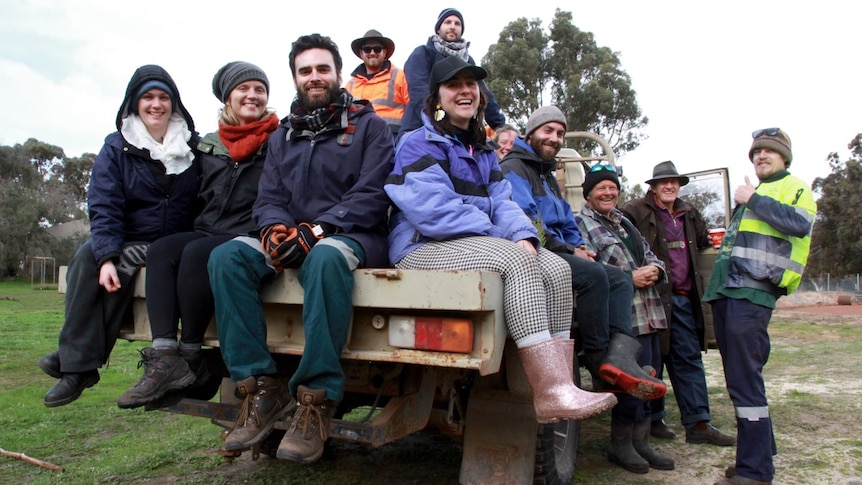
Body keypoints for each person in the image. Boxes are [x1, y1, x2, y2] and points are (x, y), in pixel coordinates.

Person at [386, 56, 617, 426]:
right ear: (436, 97)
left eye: (471, 84)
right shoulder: (418, 143)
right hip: (421, 246)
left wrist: (522, 234)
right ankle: (549, 390)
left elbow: (504, 203)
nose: (465, 91)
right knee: (518, 259)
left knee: (556, 267)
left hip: (470, 243)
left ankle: (560, 385)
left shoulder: (485, 151)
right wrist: (506, 240)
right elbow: (434, 211)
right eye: (453, 84)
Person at [206, 33, 394, 465]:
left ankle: (316, 399)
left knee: (326, 258)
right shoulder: (282, 137)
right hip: (292, 235)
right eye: (305, 71)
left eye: (322, 69)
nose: (314, 77)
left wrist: (321, 229)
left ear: (338, 74)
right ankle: (259, 389)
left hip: (354, 234)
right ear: (295, 78)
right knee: (227, 256)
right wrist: (273, 229)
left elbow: (373, 193)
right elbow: (268, 195)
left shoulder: (370, 127)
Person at [116, 62, 278, 409]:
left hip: (246, 232)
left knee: (196, 254)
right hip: (207, 228)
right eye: (243, 89)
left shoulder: (277, 140)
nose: (252, 95)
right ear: (228, 97)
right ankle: (165, 356)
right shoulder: (207, 145)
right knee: (162, 250)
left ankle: (190, 354)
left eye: (259, 90)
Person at [37, 65, 200, 407]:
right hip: (130, 235)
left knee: (122, 261)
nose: (156, 104)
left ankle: (77, 362)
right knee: (90, 255)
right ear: (134, 103)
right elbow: (104, 202)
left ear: (174, 103)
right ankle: (77, 362)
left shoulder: (192, 147)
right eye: (148, 97)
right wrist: (107, 255)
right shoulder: (118, 147)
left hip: (173, 243)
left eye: (163, 97)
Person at [499, 105, 667, 401]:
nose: (554, 138)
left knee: (618, 279)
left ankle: (620, 353)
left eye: (560, 133)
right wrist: (568, 250)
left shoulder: (547, 174)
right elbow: (528, 222)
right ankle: (598, 356)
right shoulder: (514, 168)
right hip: (536, 248)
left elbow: (566, 218)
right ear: (532, 132)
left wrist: (578, 246)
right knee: (593, 276)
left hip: (561, 247)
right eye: (548, 130)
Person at [704, 128, 816, 485]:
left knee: (745, 383)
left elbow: (799, 224)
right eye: (756, 152)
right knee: (741, 380)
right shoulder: (755, 194)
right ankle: (757, 455)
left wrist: (752, 199)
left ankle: (755, 471)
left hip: (752, 296)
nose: (761, 156)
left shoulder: (792, 187)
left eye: (769, 151)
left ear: (785, 157)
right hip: (729, 294)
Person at [622, 161, 737, 446]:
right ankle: (653, 420)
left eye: (674, 182)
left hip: (684, 299)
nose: (670, 186)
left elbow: (701, 242)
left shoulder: (689, 213)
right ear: (654, 186)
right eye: (664, 182)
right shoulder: (635, 210)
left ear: (679, 185)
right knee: (651, 361)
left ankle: (699, 424)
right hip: (651, 298)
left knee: (688, 360)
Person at [575, 164, 674, 474]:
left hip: (649, 312)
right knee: (628, 384)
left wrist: (655, 270)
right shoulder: (581, 224)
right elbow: (591, 272)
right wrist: (631, 276)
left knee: (649, 377)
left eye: (612, 187)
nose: (608, 192)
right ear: (588, 193)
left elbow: (651, 255)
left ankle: (642, 442)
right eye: (600, 188)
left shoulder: (624, 223)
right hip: (622, 317)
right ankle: (621, 445)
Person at [398, 8, 506, 138]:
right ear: (438, 28)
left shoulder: (467, 60)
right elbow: (418, 89)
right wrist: (436, 120)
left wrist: (501, 127)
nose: (452, 27)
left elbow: (483, 93)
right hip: (419, 128)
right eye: (448, 22)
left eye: (457, 23)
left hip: (457, 133)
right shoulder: (423, 53)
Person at [344, 29, 409, 137]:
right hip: (358, 140)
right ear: (361, 53)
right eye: (367, 49)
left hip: (391, 138)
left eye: (377, 49)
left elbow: (413, 107)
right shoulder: (350, 85)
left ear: (384, 52)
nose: (372, 53)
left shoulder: (400, 76)